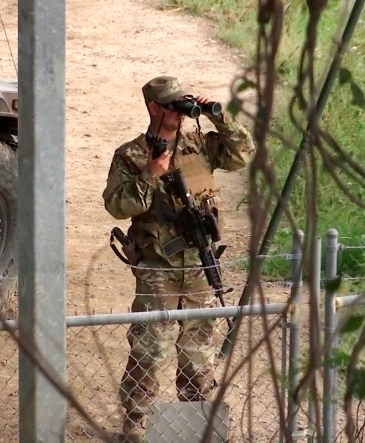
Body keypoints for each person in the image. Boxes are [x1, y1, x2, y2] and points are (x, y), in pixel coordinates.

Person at [102, 75, 255, 442]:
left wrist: (217, 115)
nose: (178, 113)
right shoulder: (131, 155)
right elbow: (117, 205)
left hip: (199, 261)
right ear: (154, 107)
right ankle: (136, 420)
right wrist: (150, 177)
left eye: (181, 105)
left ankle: (195, 416)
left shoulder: (198, 144)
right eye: (172, 106)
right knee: (149, 346)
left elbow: (242, 153)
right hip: (158, 266)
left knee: (198, 347)